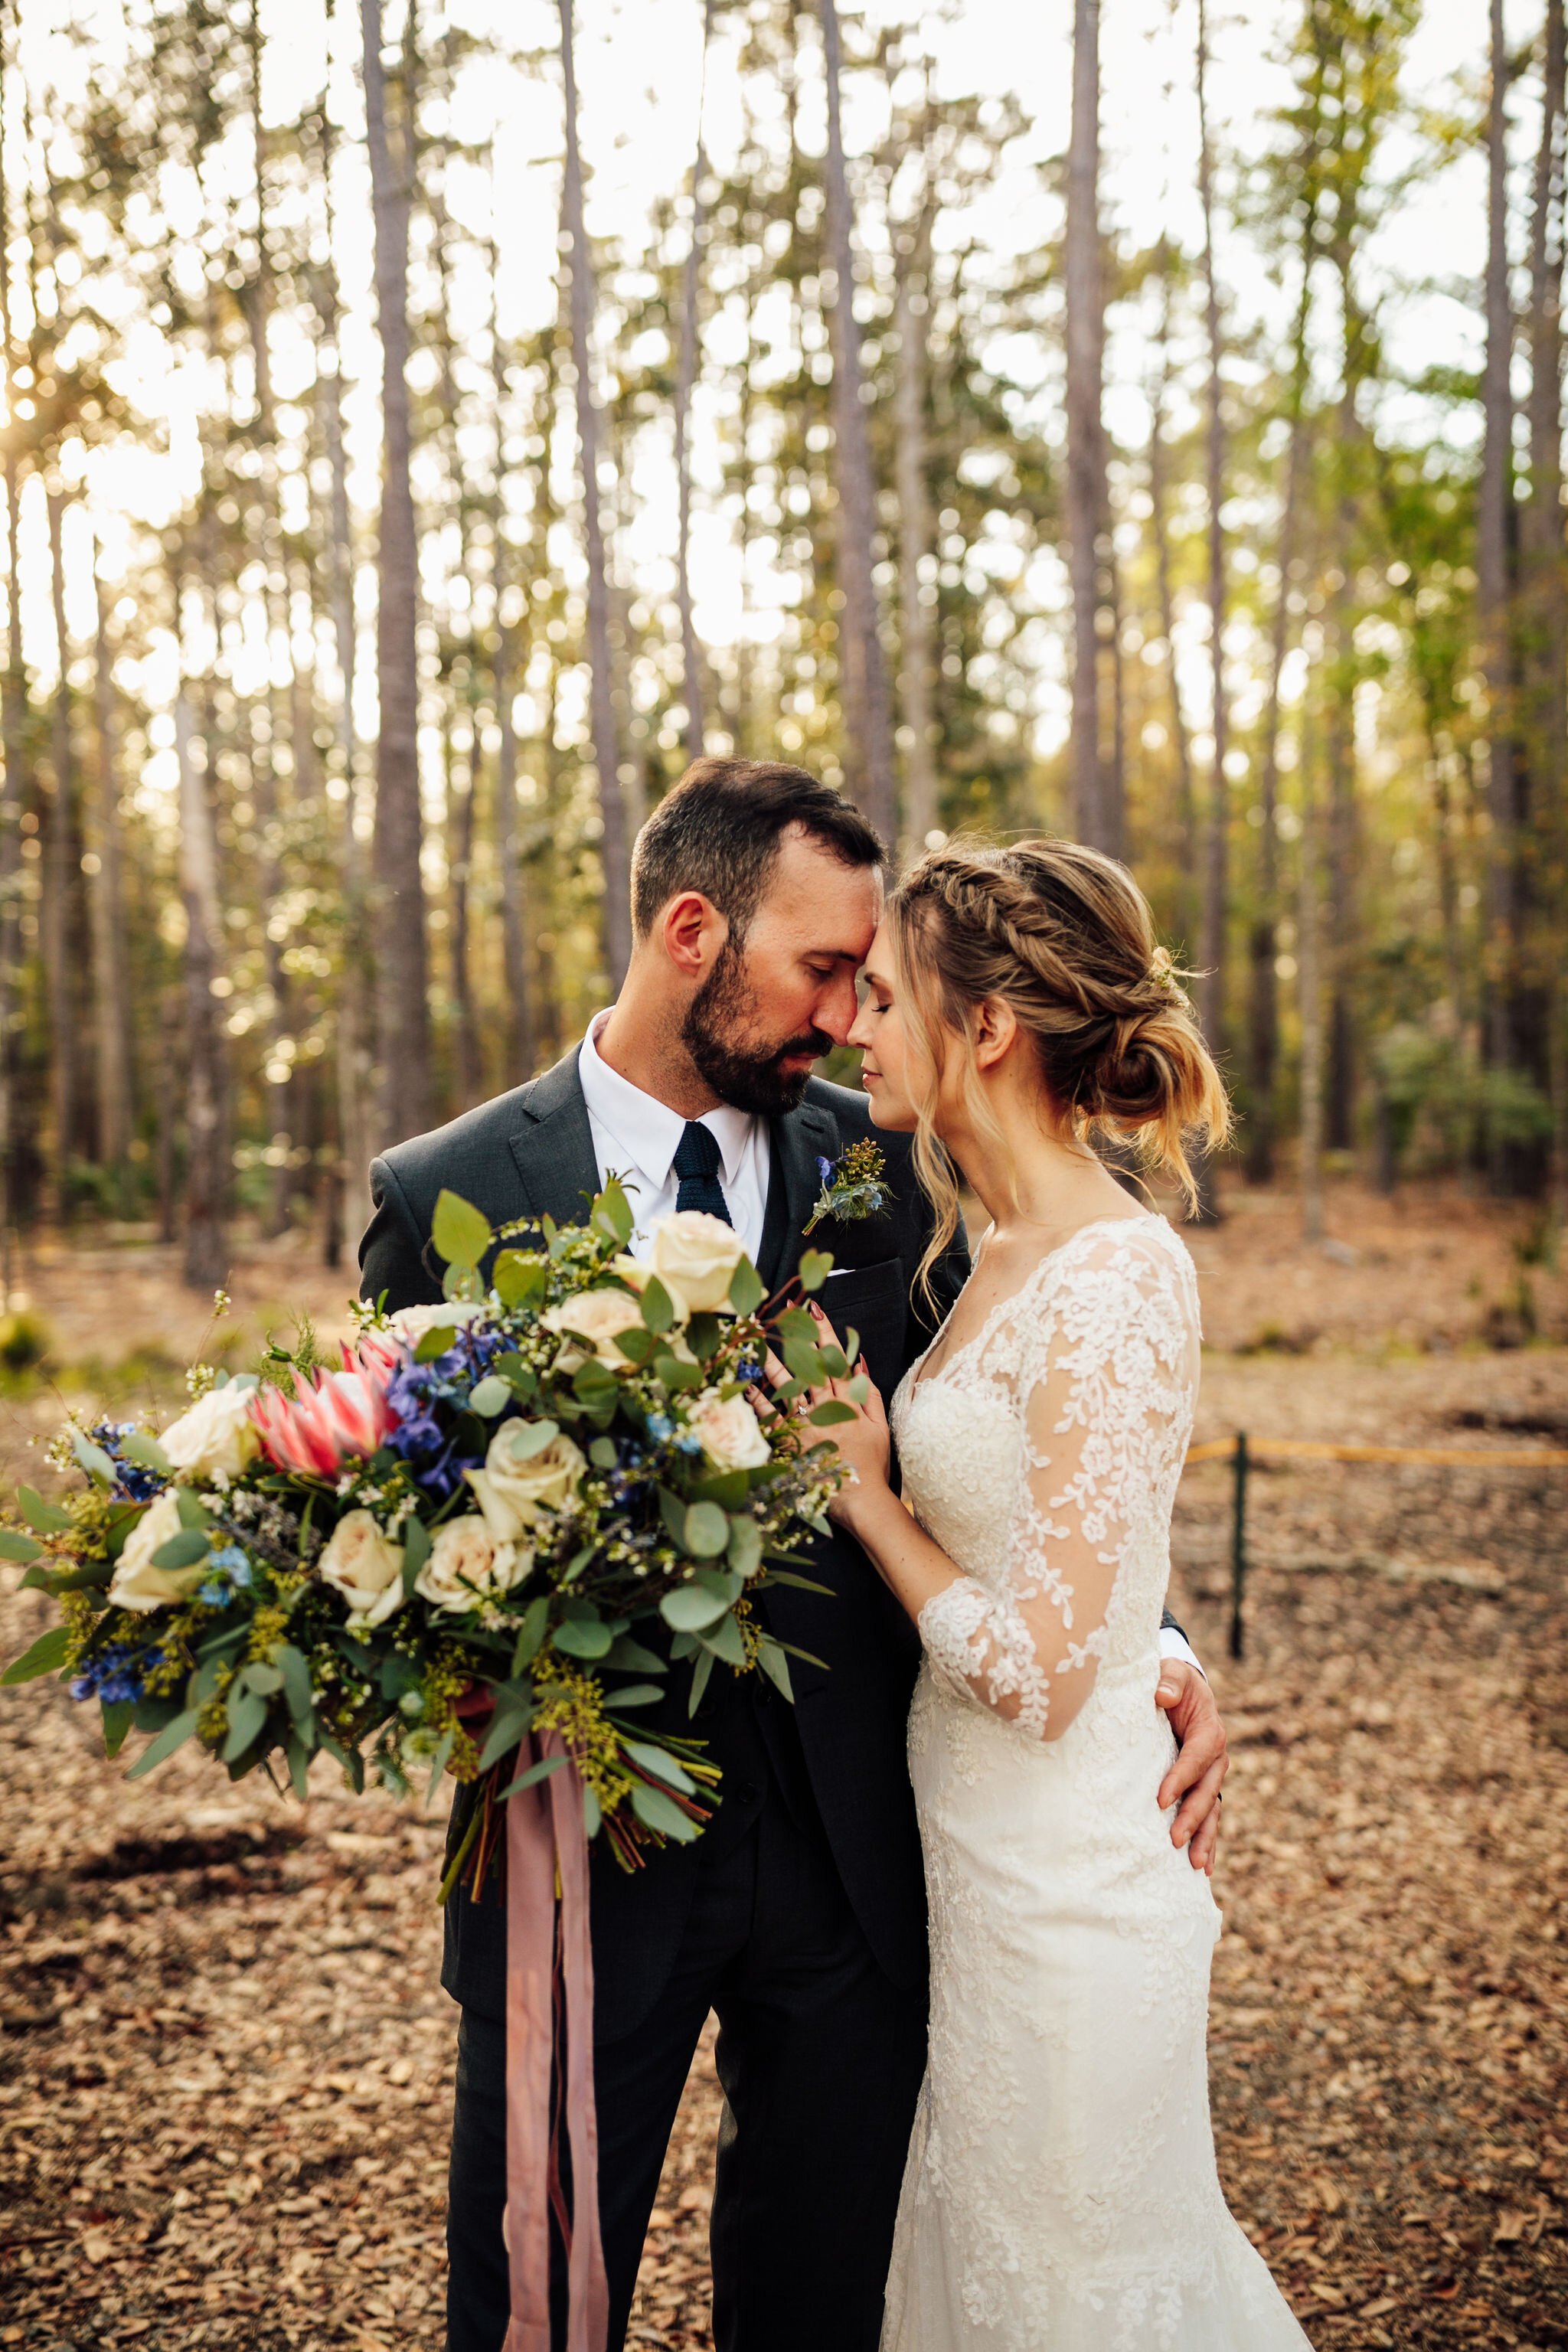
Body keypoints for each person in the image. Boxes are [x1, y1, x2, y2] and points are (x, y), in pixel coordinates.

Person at [357, 761, 1229, 2352]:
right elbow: (391, 1524)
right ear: (694, 931)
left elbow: (1032, 1439)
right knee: (537, 2300)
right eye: (821, 969)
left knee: (833, 2290)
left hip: (862, 1847)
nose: (844, 1016)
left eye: (867, 979)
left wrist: (1152, 1652)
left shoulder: (896, 1159)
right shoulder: (449, 1193)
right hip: (585, 1841)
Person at [772, 835, 1308, 2350]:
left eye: (884, 998)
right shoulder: (985, 1243)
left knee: (1092, 2293)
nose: (855, 1027)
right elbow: (1065, 1539)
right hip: (978, 1882)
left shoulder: (1117, 1272)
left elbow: (1043, 1669)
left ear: (985, 1025)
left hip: (1076, 1888)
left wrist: (865, 1500)